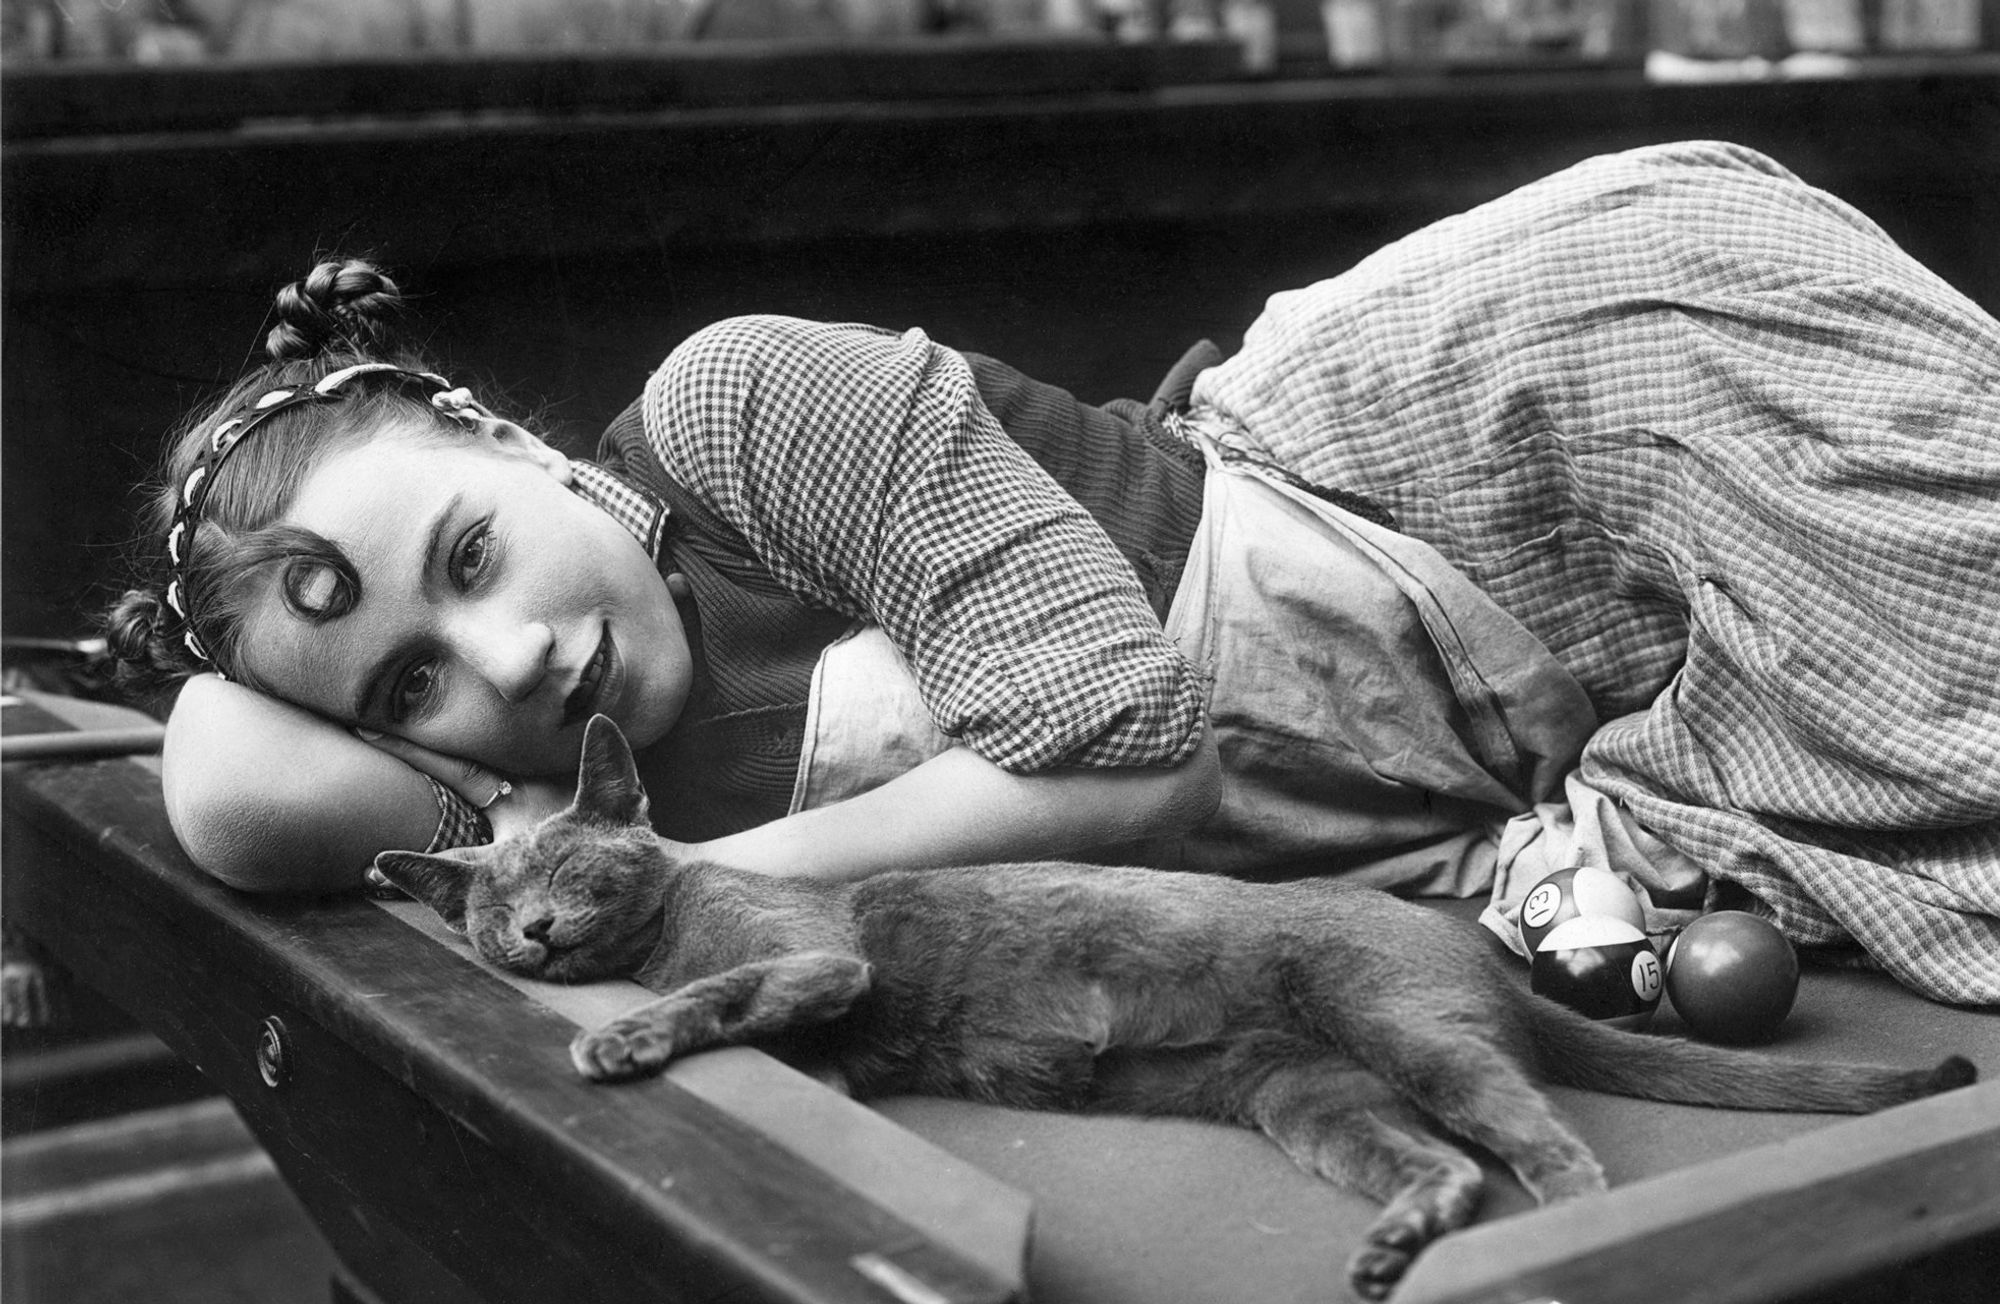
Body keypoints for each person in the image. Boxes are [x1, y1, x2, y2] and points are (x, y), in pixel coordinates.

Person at [105, 140, 1999, 1007]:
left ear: (524, 452)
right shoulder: (560, 779)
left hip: (1507, 432)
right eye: (411, 689)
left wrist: (691, 877)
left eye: (468, 551)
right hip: (1467, 724)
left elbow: (1124, 747)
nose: (504, 658)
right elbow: (222, 776)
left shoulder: (743, 408)